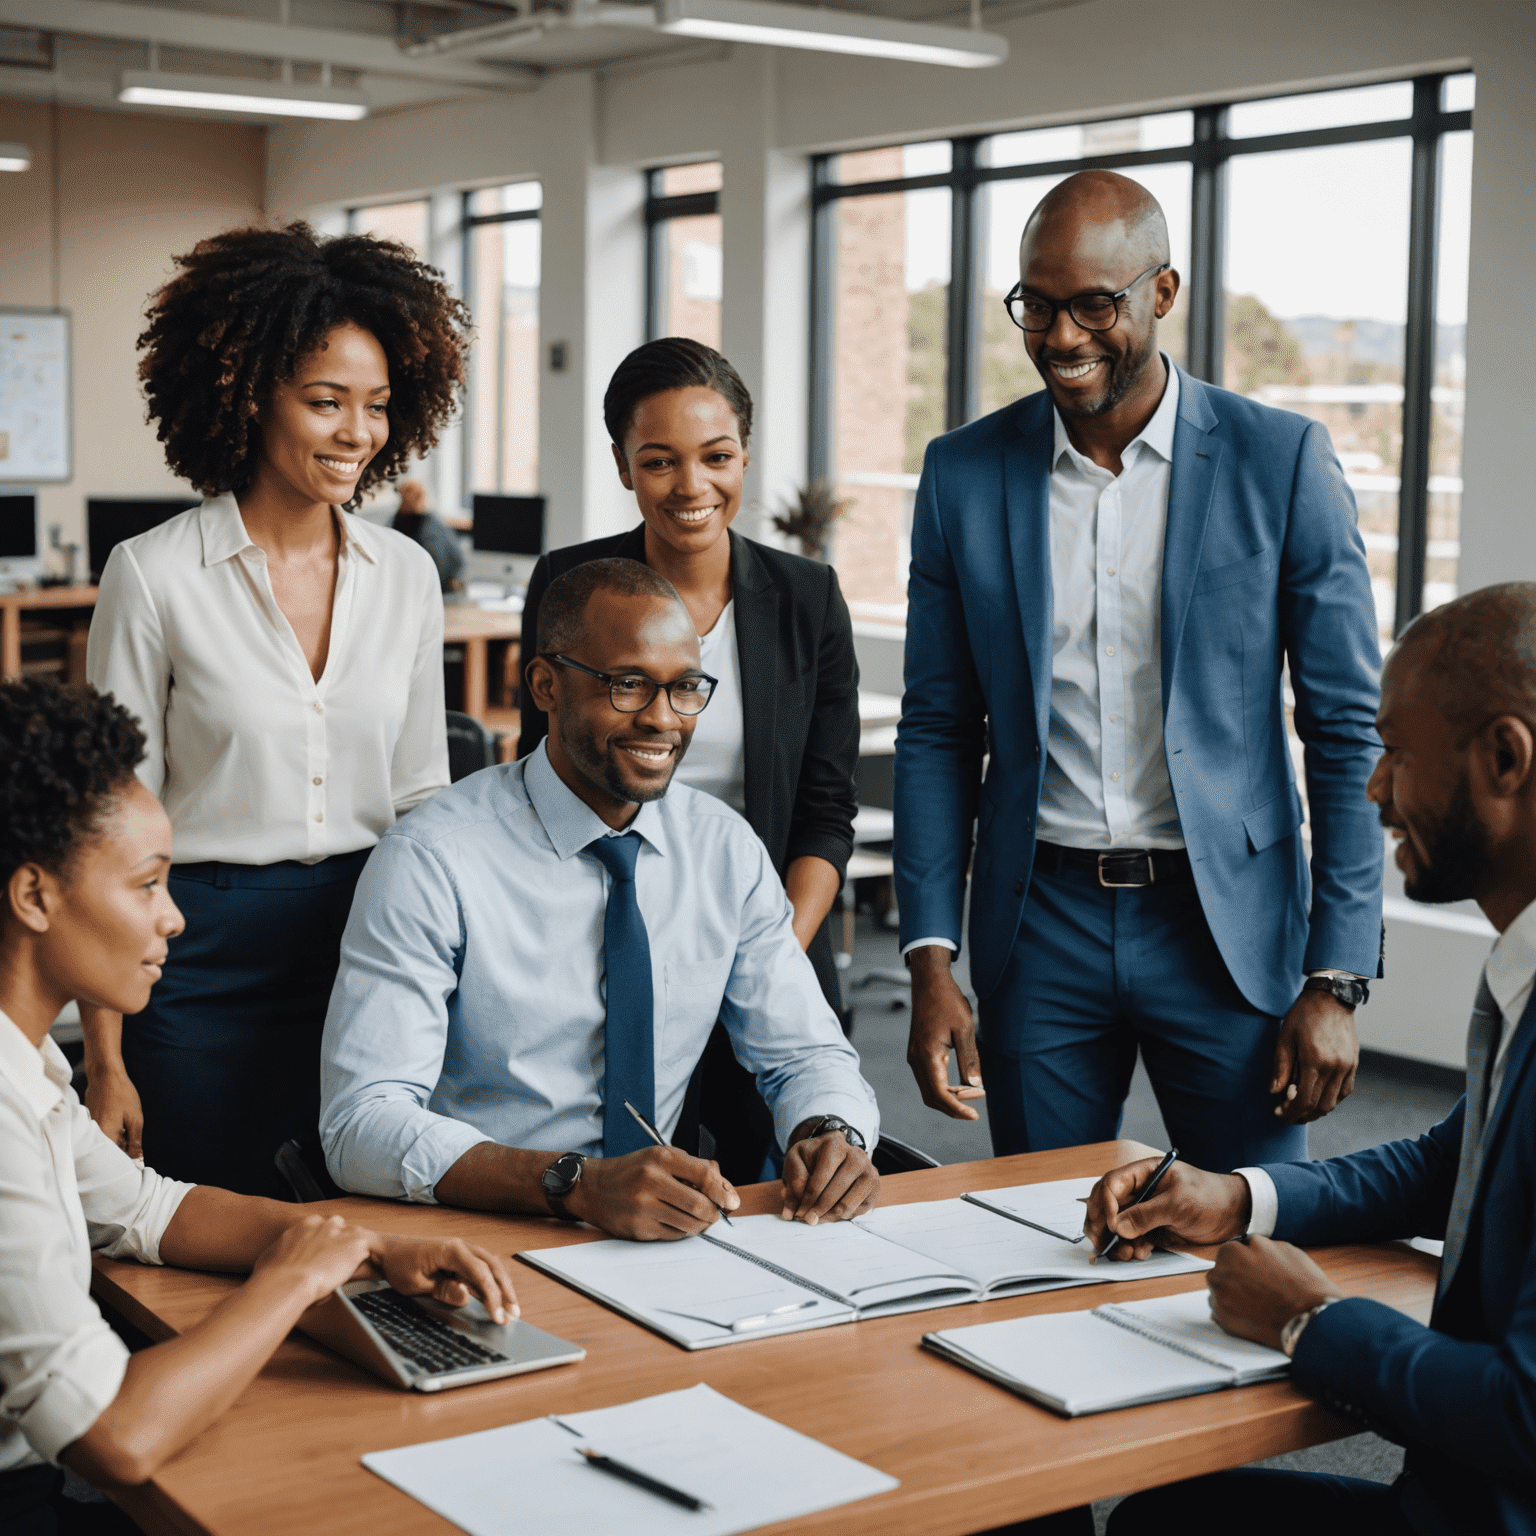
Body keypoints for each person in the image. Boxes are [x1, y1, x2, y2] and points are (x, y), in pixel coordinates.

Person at [896, 169, 1383, 1172]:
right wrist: (930, 956)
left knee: (1251, 1238)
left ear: (1163, 294)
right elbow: (940, 728)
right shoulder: (962, 473)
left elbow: (1344, 730)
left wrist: (1335, 975)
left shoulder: (1281, 460)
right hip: (1042, 927)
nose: (1062, 338)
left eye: (1094, 305)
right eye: (1038, 305)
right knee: (1041, 1241)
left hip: (1226, 931)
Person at [0, 678, 516, 1536]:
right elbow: (115, 1438)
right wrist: (290, 1282)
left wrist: (366, 1244)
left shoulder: (33, 1058)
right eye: (147, 885)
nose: (172, 920)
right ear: (34, 896)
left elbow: (145, 1207)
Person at [1091, 583, 1536, 1536]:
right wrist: (1236, 1198)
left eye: (1399, 753)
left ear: (1505, 758)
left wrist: (1312, 1322)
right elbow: (1445, 1165)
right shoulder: (1523, 970)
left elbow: (1526, 1416)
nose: (1375, 789)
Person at [321, 558, 879, 1237]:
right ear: (545, 686)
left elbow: (806, 1054)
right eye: (629, 685)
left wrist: (831, 1129)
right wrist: (575, 1185)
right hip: (482, 1228)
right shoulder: (434, 860)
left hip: (662, 1236)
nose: (662, 720)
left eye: (685, 689)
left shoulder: (724, 851)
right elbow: (362, 1122)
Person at [83, 223, 468, 1197]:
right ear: (254, 396)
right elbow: (99, 825)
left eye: (376, 407)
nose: (357, 433)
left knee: (361, 1239)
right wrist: (104, 1055)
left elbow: (425, 796)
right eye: (325, 402)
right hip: (196, 959)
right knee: (200, 1243)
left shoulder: (410, 578)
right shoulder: (154, 575)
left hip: (370, 949)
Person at [518, 338, 860, 1184]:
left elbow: (825, 812)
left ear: (745, 453)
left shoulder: (807, 597)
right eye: (659, 461)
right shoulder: (572, 582)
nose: (691, 486)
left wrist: (757, 955)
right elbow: (544, 780)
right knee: (607, 1179)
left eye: (717, 457)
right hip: (601, 939)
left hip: (770, 933)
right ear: (623, 465)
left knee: (776, 1190)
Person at [392, 479, 466, 594]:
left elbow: (457, 556)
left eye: (413, 495)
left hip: (435, 584)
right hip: (407, 584)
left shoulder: (431, 522)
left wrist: (456, 577)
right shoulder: (395, 521)